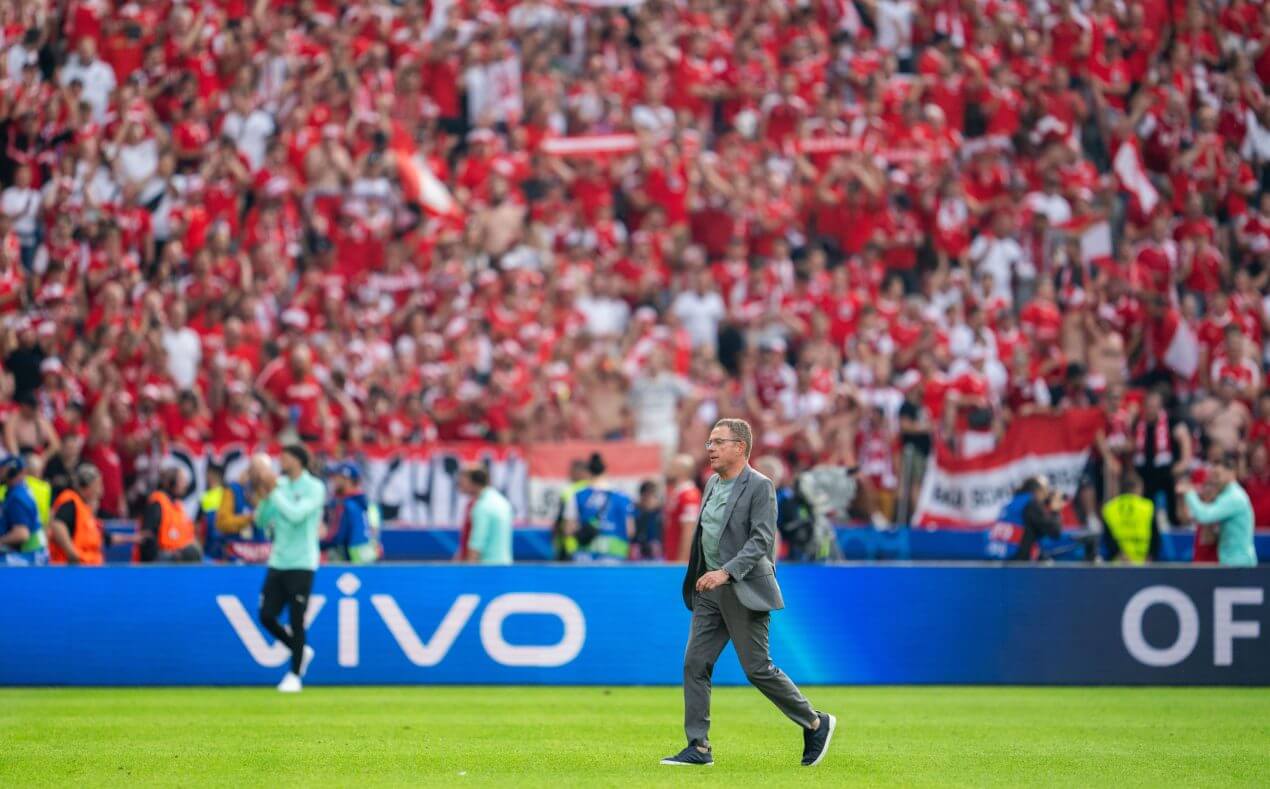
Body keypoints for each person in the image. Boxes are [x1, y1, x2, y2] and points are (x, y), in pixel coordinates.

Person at [662, 418, 834, 768]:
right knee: (695, 662)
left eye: (718, 442)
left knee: (757, 668)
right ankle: (698, 747)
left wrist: (726, 572)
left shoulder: (760, 486)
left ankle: (815, 722)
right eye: (709, 442)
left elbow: (761, 540)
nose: (710, 448)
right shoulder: (711, 483)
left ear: (740, 447)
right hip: (710, 589)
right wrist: (705, 574)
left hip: (742, 586)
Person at [254, 445, 326, 693]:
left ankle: (295, 675)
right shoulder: (281, 486)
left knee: (297, 620)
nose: (281, 461)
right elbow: (262, 521)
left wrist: (273, 492)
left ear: (298, 460)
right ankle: (300, 650)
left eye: (285, 457)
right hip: (278, 561)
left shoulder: (314, 487)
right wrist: (264, 497)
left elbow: (296, 515)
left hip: (302, 562)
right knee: (266, 615)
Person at [1177, 453, 1258, 567]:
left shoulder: (1234, 497)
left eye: (1217, 475)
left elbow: (1204, 516)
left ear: (1231, 473)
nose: (1215, 480)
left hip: (1240, 564)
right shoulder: (1226, 496)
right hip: (1232, 563)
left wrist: (1189, 492)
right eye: (1213, 475)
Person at [567, 453, 635, 561]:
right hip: (615, 556)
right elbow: (630, 530)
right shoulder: (622, 497)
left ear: (588, 472)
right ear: (606, 471)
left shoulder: (577, 496)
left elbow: (569, 529)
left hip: (585, 556)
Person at [47, 464, 107, 566]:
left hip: (87, 568)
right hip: (70, 571)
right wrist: (72, 553)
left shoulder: (83, 507)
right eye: (97, 485)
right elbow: (57, 525)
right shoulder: (71, 502)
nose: (101, 491)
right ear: (86, 486)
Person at [140, 467, 201, 562]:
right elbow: (147, 540)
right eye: (182, 480)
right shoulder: (157, 504)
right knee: (191, 555)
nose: (185, 485)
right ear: (172, 482)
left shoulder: (177, 506)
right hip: (161, 558)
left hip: (178, 555)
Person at [322, 462, 379, 564]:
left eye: (337, 478)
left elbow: (338, 536)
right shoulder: (368, 503)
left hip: (350, 561)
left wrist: (317, 546)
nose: (333, 482)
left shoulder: (344, 504)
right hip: (369, 558)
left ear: (347, 481)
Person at [995, 477, 1064, 561]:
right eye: (1046, 491)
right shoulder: (1031, 505)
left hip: (1003, 560)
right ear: (1038, 491)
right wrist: (1055, 511)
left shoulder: (1011, 504)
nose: (1047, 496)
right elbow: (1055, 532)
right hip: (1022, 565)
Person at [460, 465, 513, 565]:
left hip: (487, 569)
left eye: (463, 481)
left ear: (473, 482)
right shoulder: (501, 501)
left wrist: (466, 575)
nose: (460, 485)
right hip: (505, 565)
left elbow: (476, 545)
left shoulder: (482, 507)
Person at [0, 456, 46, 565]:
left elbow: (21, 534)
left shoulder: (17, 497)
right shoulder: (19, 491)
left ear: (11, 472)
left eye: (1, 470)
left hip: (30, 555)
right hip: (35, 554)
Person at [1101, 474, 1154, 564]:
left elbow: (1107, 538)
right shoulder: (1148, 506)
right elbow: (1155, 536)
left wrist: (1119, 554)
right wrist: (1150, 555)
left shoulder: (1109, 507)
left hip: (1118, 563)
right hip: (1143, 563)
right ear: (1137, 487)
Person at [664, 454, 701, 562]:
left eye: (672, 466)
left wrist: (683, 561)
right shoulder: (677, 493)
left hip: (679, 561)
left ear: (682, 471)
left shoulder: (689, 496)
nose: (668, 468)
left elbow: (689, 530)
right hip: (671, 557)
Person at [551, 459, 588, 561]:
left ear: (580, 472)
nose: (569, 474)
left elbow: (560, 520)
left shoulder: (570, 491)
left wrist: (555, 537)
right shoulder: (593, 491)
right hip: (588, 547)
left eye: (571, 471)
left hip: (568, 545)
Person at [632, 480, 664, 560]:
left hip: (658, 556)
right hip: (638, 556)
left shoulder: (663, 514)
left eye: (652, 496)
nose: (649, 500)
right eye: (645, 496)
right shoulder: (635, 513)